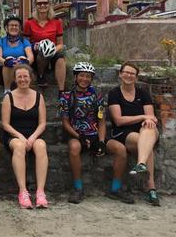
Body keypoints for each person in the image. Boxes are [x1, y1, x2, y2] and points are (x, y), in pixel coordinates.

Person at [106, 62, 160, 206]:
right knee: (146, 145)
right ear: (120, 74)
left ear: (136, 77)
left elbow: (151, 117)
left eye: (132, 74)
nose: (129, 75)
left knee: (149, 129)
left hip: (145, 131)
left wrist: (148, 120)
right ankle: (151, 189)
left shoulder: (143, 94)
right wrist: (142, 117)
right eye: (126, 72)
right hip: (123, 133)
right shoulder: (114, 94)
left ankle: (140, 164)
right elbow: (118, 120)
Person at [1, 65, 49, 209]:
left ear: (30, 78)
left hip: (34, 134)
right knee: (19, 146)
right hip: (14, 135)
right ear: (15, 79)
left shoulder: (39, 96)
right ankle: (23, 191)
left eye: (25, 76)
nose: (23, 79)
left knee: (41, 146)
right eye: (19, 77)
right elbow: (5, 124)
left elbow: (42, 123)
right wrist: (20, 136)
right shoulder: (8, 97)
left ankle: (40, 192)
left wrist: (33, 137)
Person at [59, 62, 106, 204]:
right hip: (76, 134)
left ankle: (116, 187)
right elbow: (65, 122)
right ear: (75, 76)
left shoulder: (97, 96)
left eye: (88, 76)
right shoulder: (66, 97)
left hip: (94, 134)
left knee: (120, 149)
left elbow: (101, 121)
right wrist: (79, 136)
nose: (84, 79)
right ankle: (78, 188)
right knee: (74, 148)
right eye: (81, 75)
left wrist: (101, 141)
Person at [23, 0, 66, 91]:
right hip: (36, 51)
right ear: (35, 6)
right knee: (42, 53)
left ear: (49, 5)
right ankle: (41, 75)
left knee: (61, 59)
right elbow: (25, 42)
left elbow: (60, 44)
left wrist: (53, 50)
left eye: (45, 3)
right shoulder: (29, 22)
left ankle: (61, 91)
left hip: (53, 50)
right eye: (39, 3)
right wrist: (33, 46)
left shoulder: (57, 22)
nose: (42, 5)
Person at [0, 15, 34, 94]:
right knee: (8, 60)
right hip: (3, 74)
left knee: (23, 59)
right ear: (6, 28)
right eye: (11, 25)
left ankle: (24, 91)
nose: (14, 27)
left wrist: (25, 61)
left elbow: (31, 57)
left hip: (20, 71)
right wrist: (6, 62)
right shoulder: (1, 41)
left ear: (19, 28)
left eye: (16, 25)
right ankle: (7, 90)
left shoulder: (24, 41)